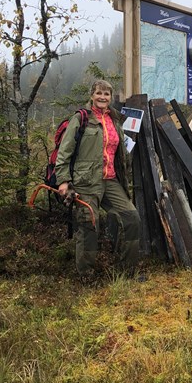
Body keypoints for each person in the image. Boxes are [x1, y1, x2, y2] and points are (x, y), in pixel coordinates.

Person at [56, 79, 140, 279]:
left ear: (110, 97)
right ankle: (87, 276)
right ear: (91, 95)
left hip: (110, 180)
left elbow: (120, 151)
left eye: (107, 94)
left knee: (131, 218)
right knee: (89, 225)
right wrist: (63, 180)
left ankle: (127, 272)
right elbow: (64, 151)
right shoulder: (81, 118)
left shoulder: (115, 119)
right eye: (99, 93)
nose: (103, 97)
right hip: (86, 181)